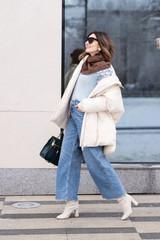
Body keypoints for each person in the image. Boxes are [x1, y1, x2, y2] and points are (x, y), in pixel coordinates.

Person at [51, 31, 138, 221]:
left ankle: (122, 197)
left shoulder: (105, 69)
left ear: (100, 44)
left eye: (91, 40)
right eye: (86, 39)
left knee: (94, 159)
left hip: (86, 116)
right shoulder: (82, 64)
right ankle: (70, 203)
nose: (86, 42)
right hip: (73, 116)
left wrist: (84, 106)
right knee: (67, 158)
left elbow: (113, 103)